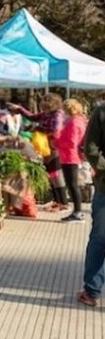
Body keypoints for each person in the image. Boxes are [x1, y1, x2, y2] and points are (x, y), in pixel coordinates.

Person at [8, 94, 68, 211]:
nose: (44, 110)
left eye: (46, 107)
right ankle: (57, 201)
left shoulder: (58, 115)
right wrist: (19, 109)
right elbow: (33, 117)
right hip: (46, 148)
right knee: (50, 175)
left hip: (54, 148)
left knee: (57, 175)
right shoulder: (47, 114)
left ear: (53, 105)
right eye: (43, 107)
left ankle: (64, 203)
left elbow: (55, 130)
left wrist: (36, 128)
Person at [78, 95, 105, 307]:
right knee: (100, 239)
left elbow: (91, 149)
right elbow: (91, 149)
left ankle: (91, 291)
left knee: (99, 239)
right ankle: (92, 290)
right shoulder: (101, 112)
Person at [56, 98, 88, 223]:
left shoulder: (74, 122)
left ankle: (78, 213)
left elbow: (71, 142)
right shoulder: (79, 121)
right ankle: (76, 211)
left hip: (70, 156)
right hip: (70, 156)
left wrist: (57, 142)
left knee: (73, 185)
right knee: (73, 185)